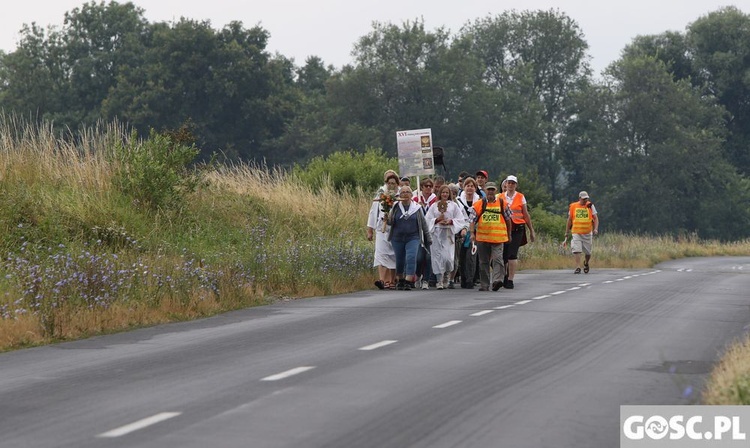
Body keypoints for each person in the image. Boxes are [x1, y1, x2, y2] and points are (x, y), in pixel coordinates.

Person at [387, 185, 432, 290]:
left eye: (408, 192)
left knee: (411, 257)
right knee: (400, 260)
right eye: (403, 192)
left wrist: (428, 237)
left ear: (412, 195)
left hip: (413, 237)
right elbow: (390, 222)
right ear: (399, 195)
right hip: (397, 238)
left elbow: (424, 224)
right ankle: (400, 279)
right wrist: (386, 218)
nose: (405, 194)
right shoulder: (395, 207)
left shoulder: (416, 208)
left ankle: (408, 280)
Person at [469, 182, 511, 291]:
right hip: (482, 238)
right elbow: (472, 220)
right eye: (488, 190)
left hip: (498, 238)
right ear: (485, 191)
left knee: (498, 259)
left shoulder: (503, 203)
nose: (490, 192)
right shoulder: (479, 204)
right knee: (484, 262)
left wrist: (509, 234)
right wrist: (472, 233)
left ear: (495, 190)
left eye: (492, 190)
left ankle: (497, 281)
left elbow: (508, 220)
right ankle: (485, 284)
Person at [425, 185, 467, 290]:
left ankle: (447, 276)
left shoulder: (453, 206)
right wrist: (437, 220)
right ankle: (439, 280)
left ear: (449, 194)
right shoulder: (434, 206)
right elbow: (427, 219)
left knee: (448, 258)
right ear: (440, 193)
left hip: (448, 233)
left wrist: (451, 221)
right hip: (437, 233)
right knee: (438, 257)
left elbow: (461, 219)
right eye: (443, 192)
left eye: (446, 193)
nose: (445, 194)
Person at [501, 175, 536, 289]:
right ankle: (504, 275)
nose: (511, 185)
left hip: (517, 228)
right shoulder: (500, 197)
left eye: (513, 183)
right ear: (505, 184)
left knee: (512, 254)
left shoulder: (520, 197)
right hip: (503, 229)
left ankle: (510, 279)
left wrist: (531, 230)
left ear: (516, 185)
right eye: (509, 183)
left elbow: (525, 214)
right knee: (503, 255)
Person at [367, 171, 399, 289]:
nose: (391, 185)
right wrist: (370, 230)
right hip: (382, 229)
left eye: (393, 183)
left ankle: (391, 281)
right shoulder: (381, 194)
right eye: (389, 183)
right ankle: (381, 280)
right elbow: (373, 212)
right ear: (386, 183)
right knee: (381, 253)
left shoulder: (399, 195)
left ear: (397, 184)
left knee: (393, 254)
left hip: (395, 230)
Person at [455, 176, 481, 289]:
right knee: (462, 256)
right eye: (467, 186)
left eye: (472, 186)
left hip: (475, 231)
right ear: (464, 187)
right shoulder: (458, 201)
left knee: (472, 255)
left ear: (475, 188)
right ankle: (463, 279)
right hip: (462, 231)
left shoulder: (479, 201)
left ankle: (471, 279)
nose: (470, 188)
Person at [565, 191, 599, 274]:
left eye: (586, 199)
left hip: (587, 233)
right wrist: (567, 232)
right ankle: (578, 267)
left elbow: (596, 218)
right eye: (584, 199)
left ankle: (586, 263)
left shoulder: (590, 206)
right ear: (579, 198)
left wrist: (595, 229)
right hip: (576, 232)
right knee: (577, 250)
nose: (585, 200)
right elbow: (569, 220)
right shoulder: (573, 206)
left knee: (588, 252)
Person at [413, 178, 437, 289]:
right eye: (425, 186)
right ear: (421, 187)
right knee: (419, 257)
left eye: (430, 186)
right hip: (419, 232)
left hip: (431, 231)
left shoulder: (435, 200)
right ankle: (418, 274)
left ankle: (426, 280)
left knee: (428, 257)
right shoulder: (416, 198)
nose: (428, 188)